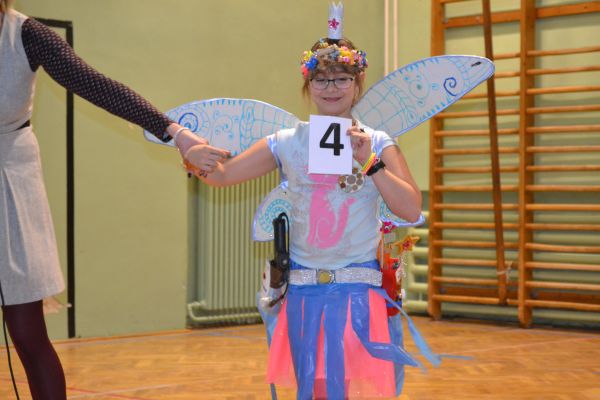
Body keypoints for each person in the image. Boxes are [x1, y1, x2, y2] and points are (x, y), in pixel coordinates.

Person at [184, 5, 426, 399]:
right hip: (303, 292)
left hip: (357, 293)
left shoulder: (378, 142)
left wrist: (369, 162)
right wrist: (193, 156)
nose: (331, 88)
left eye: (342, 78)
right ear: (307, 84)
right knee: (314, 389)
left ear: (358, 83)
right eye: (321, 79)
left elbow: (410, 209)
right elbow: (223, 176)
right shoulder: (286, 142)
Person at [0, 2, 228, 399]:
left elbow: (95, 85)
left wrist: (175, 133)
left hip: (11, 179)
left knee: (26, 331)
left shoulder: (26, 34)